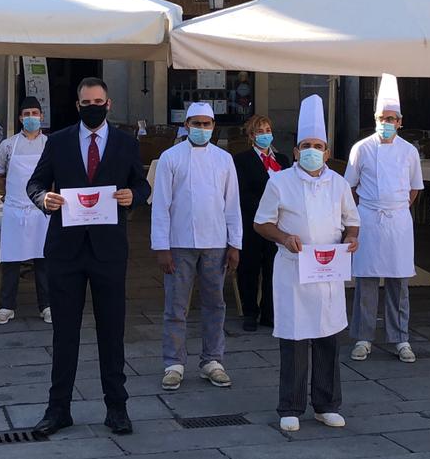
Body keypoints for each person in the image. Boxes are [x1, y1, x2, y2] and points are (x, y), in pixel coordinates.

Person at [26, 76, 150, 437]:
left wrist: (134, 196)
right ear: (77, 106)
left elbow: (142, 184)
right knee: (64, 333)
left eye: (99, 102)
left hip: (108, 250)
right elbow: (35, 183)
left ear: (108, 104)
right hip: (66, 250)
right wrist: (43, 199)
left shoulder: (125, 143)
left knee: (112, 331)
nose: (93, 108)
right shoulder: (59, 141)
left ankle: (117, 408)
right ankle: (58, 409)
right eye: (86, 103)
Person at [253, 95, 360, 433]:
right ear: (296, 152)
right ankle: (291, 405)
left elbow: (352, 221)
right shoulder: (279, 181)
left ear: (327, 152)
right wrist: (284, 237)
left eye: (318, 146)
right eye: (306, 146)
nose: (312, 150)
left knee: (328, 337)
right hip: (294, 270)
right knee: (295, 339)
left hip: (328, 269)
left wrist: (351, 239)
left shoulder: (339, 183)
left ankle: (327, 404)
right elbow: (261, 222)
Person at [151, 102, 241, 390]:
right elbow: (161, 205)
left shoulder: (224, 159)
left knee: (215, 304)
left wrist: (235, 244)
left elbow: (232, 204)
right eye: (196, 123)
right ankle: (173, 363)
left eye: (206, 124)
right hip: (179, 242)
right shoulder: (170, 158)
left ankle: (212, 360)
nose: (202, 128)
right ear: (186, 125)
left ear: (213, 126)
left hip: (216, 242)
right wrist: (161, 247)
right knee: (176, 306)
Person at [347, 74, 423, 363]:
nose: (386, 122)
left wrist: (397, 207)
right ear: (376, 119)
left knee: (398, 282)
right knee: (366, 281)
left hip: (398, 222)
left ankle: (400, 338)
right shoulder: (361, 148)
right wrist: (364, 210)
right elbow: (350, 186)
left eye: (391, 118)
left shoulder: (409, 151)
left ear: (400, 122)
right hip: (369, 218)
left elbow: (415, 188)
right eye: (382, 118)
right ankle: (363, 338)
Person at [0, 96, 51, 325]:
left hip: (42, 211)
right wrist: (13, 191)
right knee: (11, 261)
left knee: (44, 260)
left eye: (35, 113)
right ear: (20, 118)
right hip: (14, 209)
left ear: (41, 116)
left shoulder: (51, 145)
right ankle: (6, 306)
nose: (31, 117)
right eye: (27, 114)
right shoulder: (8, 145)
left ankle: (47, 306)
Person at [232, 115, 288, 332]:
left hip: (278, 223)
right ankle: (249, 312)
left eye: (267, 130)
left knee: (274, 267)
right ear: (251, 136)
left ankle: (269, 311)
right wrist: (265, 210)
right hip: (253, 221)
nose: (265, 134)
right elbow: (242, 192)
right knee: (249, 268)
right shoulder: (241, 160)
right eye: (260, 131)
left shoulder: (282, 159)